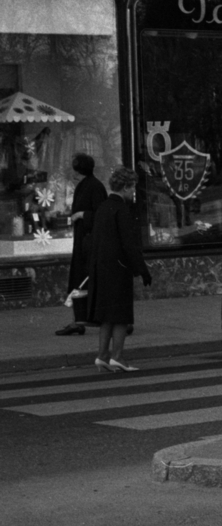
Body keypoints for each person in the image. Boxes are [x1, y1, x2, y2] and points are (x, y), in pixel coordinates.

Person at [87, 167, 151, 373]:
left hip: (101, 268)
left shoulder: (103, 208)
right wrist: (142, 270)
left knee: (107, 315)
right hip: (118, 269)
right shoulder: (121, 210)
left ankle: (102, 355)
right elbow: (129, 244)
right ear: (125, 187)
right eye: (132, 187)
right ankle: (118, 356)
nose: (134, 192)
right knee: (122, 315)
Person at [56, 154, 107, 337]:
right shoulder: (84, 186)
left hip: (90, 243)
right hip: (82, 242)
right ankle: (78, 321)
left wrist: (82, 215)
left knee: (85, 281)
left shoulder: (95, 187)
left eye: (76, 171)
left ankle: (95, 320)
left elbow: (102, 216)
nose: (74, 174)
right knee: (79, 281)